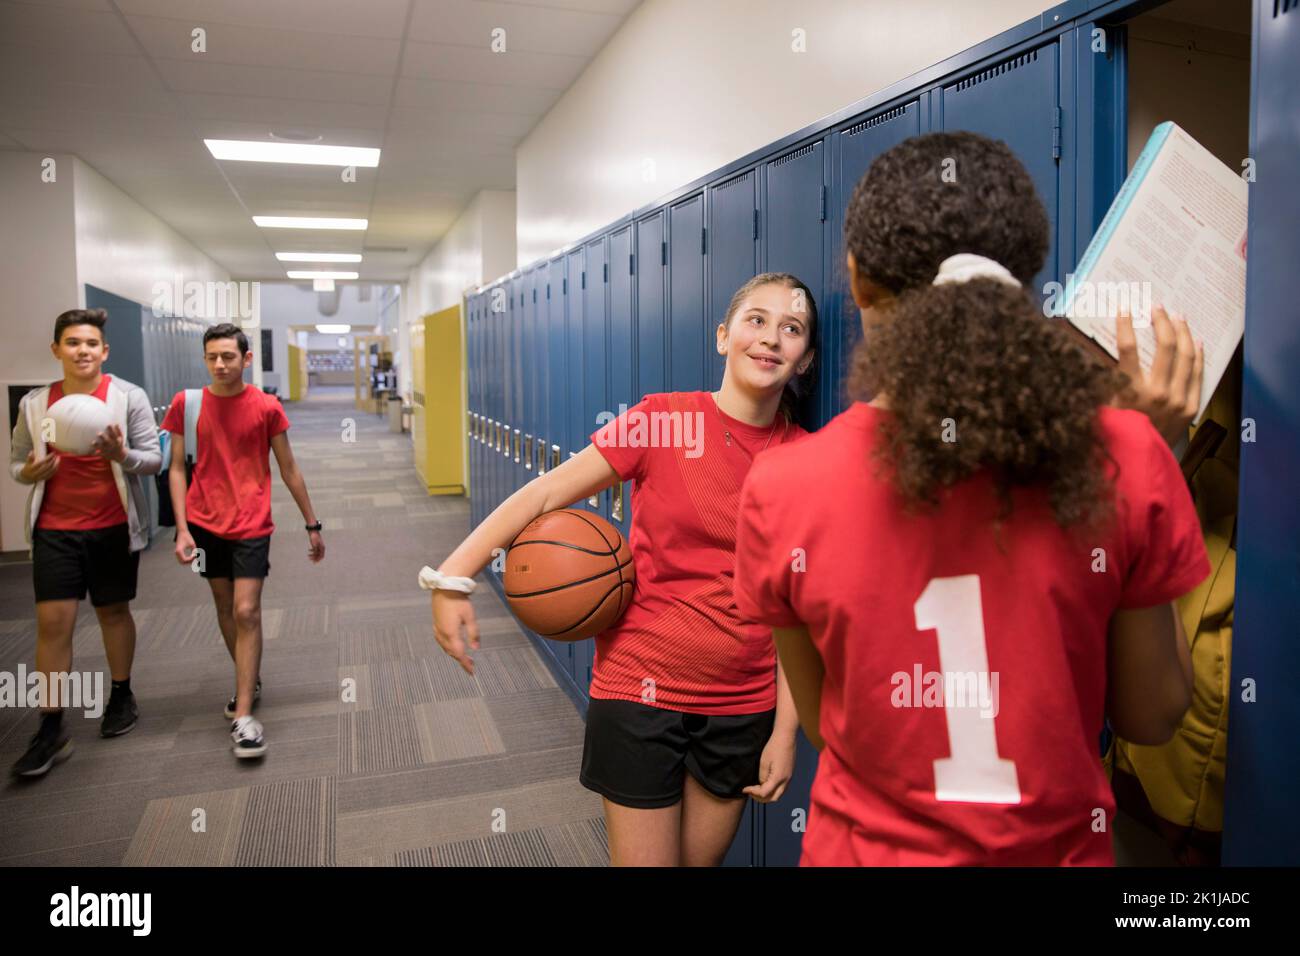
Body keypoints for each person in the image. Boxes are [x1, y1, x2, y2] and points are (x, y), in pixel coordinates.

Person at [734, 131, 1211, 865]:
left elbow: (831, 724)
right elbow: (1153, 714)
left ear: (858, 281)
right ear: (1019, 282)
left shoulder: (783, 484)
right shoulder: (1126, 456)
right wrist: (1152, 464)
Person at [425, 274, 816, 865]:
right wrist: (454, 577)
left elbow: (797, 608)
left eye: (791, 328)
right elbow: (544, 493)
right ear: (723, 337)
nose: (770, 339)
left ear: (805, 357)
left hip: (743, 701)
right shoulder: (660, 420)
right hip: (640, 687)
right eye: (755, 320)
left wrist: (785, 732)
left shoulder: (806, 460)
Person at [160, 323, 324, 759]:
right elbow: (176, 468)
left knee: (246, 609)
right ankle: (248, 677)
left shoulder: (267, 407)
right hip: (203, 524)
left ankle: (245, 715)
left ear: (246, 359)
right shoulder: (187, 405)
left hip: (252, 523)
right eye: (212, 356)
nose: (219, 364)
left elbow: (288, 468)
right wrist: (181, 528)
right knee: (223, 606)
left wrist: (312, 522)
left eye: (228, 357)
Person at [8, 308, 161, 777]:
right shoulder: (37, 405)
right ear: (57, 349)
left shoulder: (125, 397)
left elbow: (153, 460)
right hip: (55, 528)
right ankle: (50, 727)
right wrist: (29, 473)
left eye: (91, 343)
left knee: (113, 612)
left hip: (112, 524)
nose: (83, 351)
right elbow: (18, 463)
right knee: (53, 622)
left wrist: (123, 455)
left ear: (104, 351)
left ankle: (121, 694)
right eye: (73, 343)